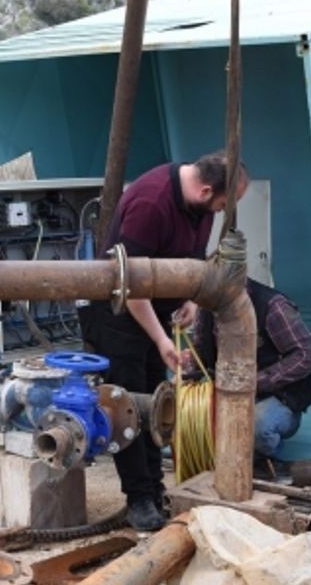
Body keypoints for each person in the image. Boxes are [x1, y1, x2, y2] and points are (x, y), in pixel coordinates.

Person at [78, 151, 248, 531]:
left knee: (157, 404)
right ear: (206, 190)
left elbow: (193, 262)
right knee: (127, 406)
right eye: (224, 203)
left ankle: (155, 491)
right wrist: (160, 339)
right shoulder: (151, 203)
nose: (223, 211)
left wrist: (190, 299)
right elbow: (130, 285)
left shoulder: (201, 209)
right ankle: (139, 499)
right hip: (120, 314)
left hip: (157, 313)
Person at [190, 278, 311, 459]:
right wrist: (188, 365)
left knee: (255, 429)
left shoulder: (272, 306)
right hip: (228, 393)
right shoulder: (208, 306)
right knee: (192, 420)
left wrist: (258, 381)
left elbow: (308, 354)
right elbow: (200, 353)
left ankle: (267, 459)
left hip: (278, 396)